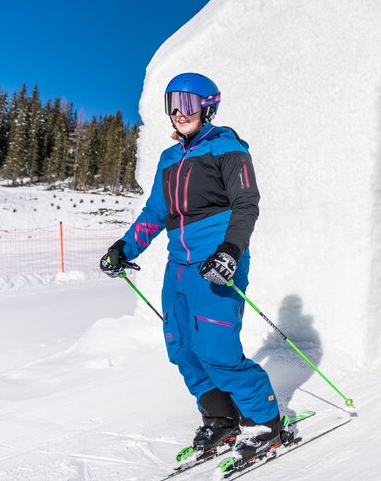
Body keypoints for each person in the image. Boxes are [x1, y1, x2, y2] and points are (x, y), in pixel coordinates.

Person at [99, 72, 281, 460]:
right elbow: (155, 212)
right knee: (182, 347)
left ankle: (264, 421)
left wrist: (230, 251)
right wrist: (124, 247)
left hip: (216, 262)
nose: (179, 113)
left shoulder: (227, 148)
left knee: (216, 349)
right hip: (177, 267)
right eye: (173, 104)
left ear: (208, 106)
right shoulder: (169, 159)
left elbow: (246, 203)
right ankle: (220, 418)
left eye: (188, 103)